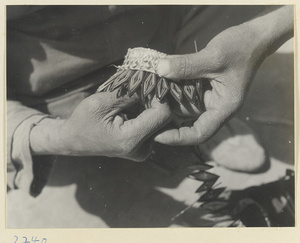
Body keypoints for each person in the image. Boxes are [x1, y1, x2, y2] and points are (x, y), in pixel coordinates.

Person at [7, 5, 293, 227]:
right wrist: (59, 138)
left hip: (161, 31)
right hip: (52, 85)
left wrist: (258, 34)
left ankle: (196, 98)